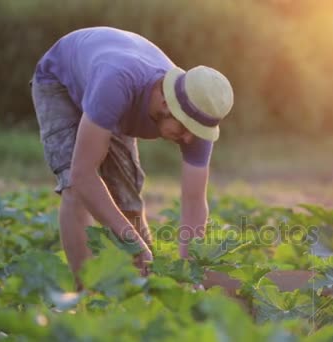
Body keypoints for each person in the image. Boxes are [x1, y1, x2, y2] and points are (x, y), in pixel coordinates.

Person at [30, 27, 234, 286]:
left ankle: (142, 287)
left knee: (127, 200)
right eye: (185, 129)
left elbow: (194, 202)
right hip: (60, 80)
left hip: (111, 97)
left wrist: (188, 273)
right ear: (165, 104)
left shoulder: (197, 115)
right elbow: (84, 175)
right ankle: (87, 297)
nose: (188, 140)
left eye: (197, 133)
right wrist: (131, 239)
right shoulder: (117, 84)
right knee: (74, 187)